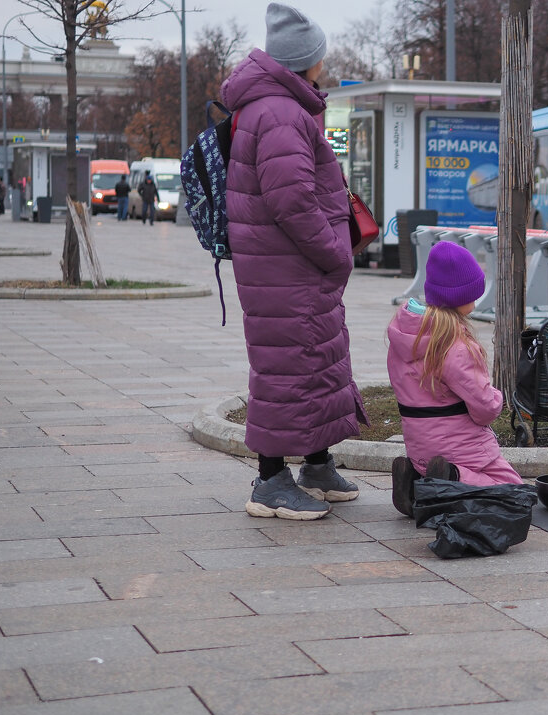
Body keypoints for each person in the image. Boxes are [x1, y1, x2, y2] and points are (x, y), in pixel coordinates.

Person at [223, 2, 366, 521]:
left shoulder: (278, 105)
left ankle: (317, 464)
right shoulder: (280, 112)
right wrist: (335, 252)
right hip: (288, 268)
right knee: (285, 371)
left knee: (314, 366)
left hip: (288, 268)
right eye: (320, 55)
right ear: (306, 60)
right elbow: (293, 202)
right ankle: (269, 481)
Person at [386, 241, 524, 517]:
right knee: (514, 492)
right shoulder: (456, 344)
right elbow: (485, 409)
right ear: (464, 296)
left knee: (444, 475)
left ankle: (416, 482)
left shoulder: (404, 336)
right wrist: (497, 397)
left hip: (419, 444)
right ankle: (451, 478)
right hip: (459, 448)